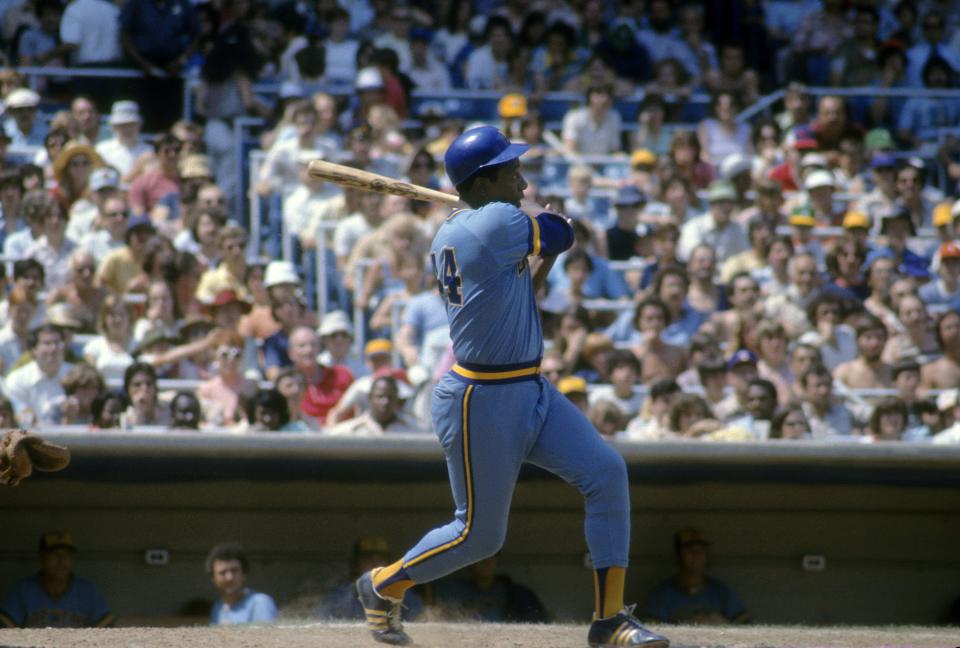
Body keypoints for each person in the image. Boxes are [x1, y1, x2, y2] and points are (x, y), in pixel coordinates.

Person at [353, 125, 669, 648]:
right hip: (482, 400)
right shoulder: (494, 223)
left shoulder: (466, 229)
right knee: (479, 536)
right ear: (481, 183)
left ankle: (609, 621)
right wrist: (557, 228)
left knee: (607, 473)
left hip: (528, 387)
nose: (522, 183)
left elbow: (522, 289)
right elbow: (566, 233)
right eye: (511, 172)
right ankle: (382, 585)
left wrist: (547, 247)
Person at [0, 531, 113, 628]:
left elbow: (107, 628)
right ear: (41, 558)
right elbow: (5, 630)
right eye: (54, 554)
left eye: (66, 555)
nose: (61, 560)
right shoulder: (23, 590)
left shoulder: (88, 591)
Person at [644, 528, 748, 625]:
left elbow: (745, 626)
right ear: (678, 555)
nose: (696, 555)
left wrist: (723, 624)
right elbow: (652, 633)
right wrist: (685, 626)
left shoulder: (720, 591)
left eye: (701, 550)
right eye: (689, 550)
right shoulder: (662, 594)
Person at [430, 552, 549, 622]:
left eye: (491, 555)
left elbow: (540, 621)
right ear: (468, 562)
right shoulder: (451, 590)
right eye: (479, 556)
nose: (486, 561)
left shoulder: (517, 594)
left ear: (497, 559)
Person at [206, 542, 278, 625]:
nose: (229, 578)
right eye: (223, 573)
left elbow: (267, 637)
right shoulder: (217, 607)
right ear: (213, 579)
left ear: (244, 574)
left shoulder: (260, 603)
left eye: (234, 570)